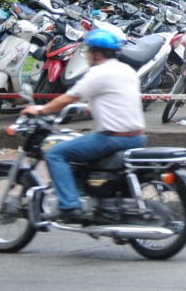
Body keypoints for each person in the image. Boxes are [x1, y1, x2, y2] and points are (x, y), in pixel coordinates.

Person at [21, 28, 145, 223]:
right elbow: (115, 98)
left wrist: (40, 110)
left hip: (112, 139)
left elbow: (67, 98)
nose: (86, 55)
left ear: (97, 54)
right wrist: (92, 106)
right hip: (136, 136)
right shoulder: (126, 70)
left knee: (56, 153)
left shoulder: (97, 73)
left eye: (88, 51)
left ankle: (70, 205)